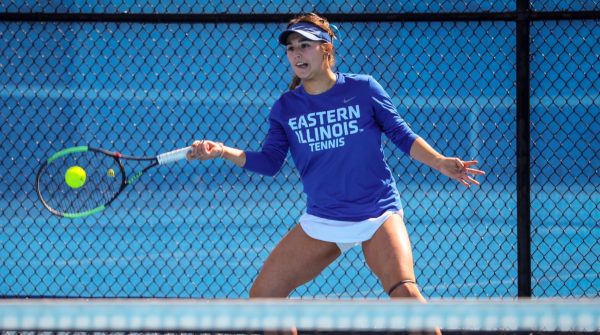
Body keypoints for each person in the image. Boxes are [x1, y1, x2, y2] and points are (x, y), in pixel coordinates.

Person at [187, 13, 484, 335]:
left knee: (405, 292)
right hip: (324, 219)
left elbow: (401, 135)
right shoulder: (285, 107)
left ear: (326, 49)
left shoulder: (363, 88)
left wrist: (439, 161)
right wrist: (222, 151)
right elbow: (270, 162)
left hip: (377, 213)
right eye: (291, 48)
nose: (297, 54)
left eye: (305, 45)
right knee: (264, 297)